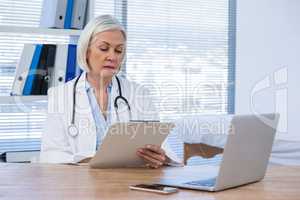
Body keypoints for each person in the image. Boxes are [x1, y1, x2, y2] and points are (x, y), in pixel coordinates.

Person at [39, 15, 180, 168]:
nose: (112, 56)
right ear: (86, 51)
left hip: (128, 185)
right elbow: (50, 155)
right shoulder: (60, 96)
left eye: (119, 51)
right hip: (81, 185)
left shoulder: (139, 94)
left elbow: (163, 148)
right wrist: (90, 161)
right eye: (104, 48)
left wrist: (161, 157)